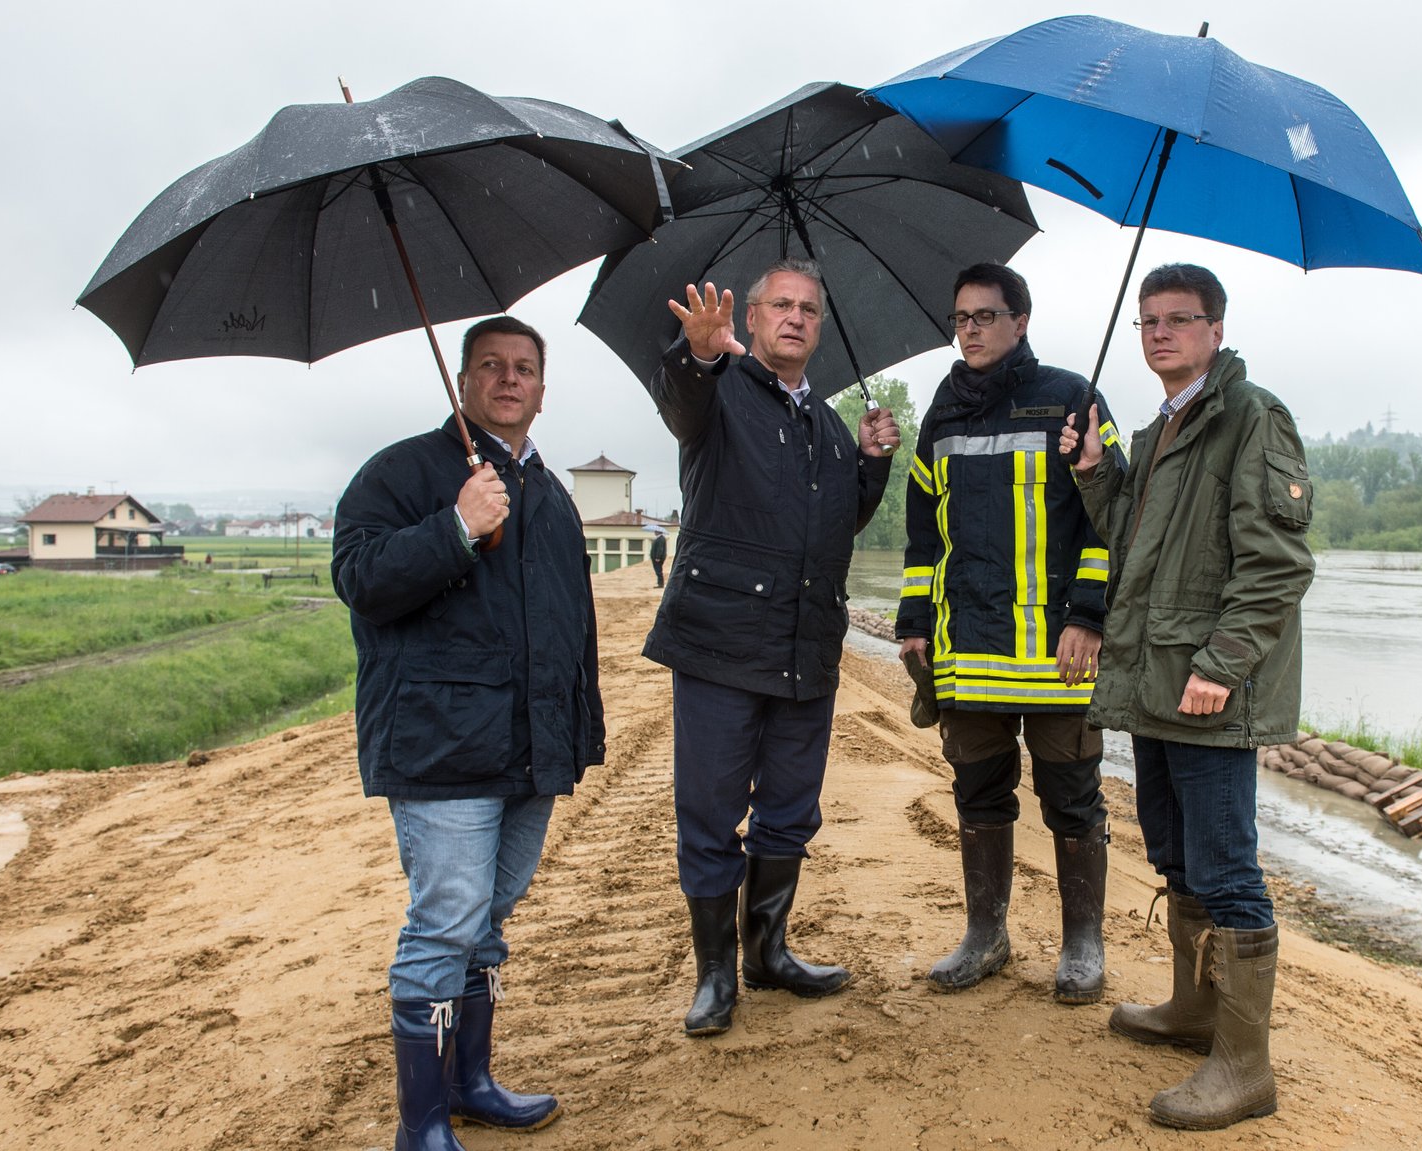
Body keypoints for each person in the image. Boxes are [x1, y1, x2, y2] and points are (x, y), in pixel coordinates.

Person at [333, 315, 605, 1149]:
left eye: (525, 368)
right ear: (462, 380)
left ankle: (471, 1082)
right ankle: (420, 1126)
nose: (510, 379)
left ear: (543, 389)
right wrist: (454, 527)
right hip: (439, 745)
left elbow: (571, 626)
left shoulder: (548, 492)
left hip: (530, 747)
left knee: (487, 921)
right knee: (446, 921)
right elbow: (359, 579)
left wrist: (579, 732)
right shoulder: (401, 473)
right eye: (492, 366)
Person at [1059, 264, 1314, 1131]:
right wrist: (1098, 472)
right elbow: (1134, 545)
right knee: (1174, 850)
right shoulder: (1164, 424)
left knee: (1227, 867)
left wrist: (1224, 662)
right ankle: (1196, 1009)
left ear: (1215, 328)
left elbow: (1277, 564)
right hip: (1158, 683)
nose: (1160, 333)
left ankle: (1245, 1068)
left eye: (1179, 319)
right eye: (1148, 321)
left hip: (1207, 687)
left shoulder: (1250, 417)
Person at [644, 257, 899, 1036]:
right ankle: (716, 973)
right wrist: (695, 353)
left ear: (819, 329)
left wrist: (874, 463)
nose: (794, 317)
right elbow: (680, 403)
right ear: (750, 319)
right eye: (780, 305)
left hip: (806, 652)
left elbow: (834, 526)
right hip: (722, 646)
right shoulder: (716, 389)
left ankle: (767, 951)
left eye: (808, 309)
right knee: (712, 813)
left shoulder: (824, 423)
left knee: (790, 812)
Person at [894, 263, 1127, 1003]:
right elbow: (922, 533)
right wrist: (913, 622)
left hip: (1056, 652)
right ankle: (985, 935)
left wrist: (1090, 618)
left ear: (1020, 322)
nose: (969, 330)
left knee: (1073, 795)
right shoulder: (941, 411)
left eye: (985, 317)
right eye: (960, 318)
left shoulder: (1072, 398)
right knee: (979, 792)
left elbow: (1109, 520)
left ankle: (1082, 944)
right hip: (969, 650)